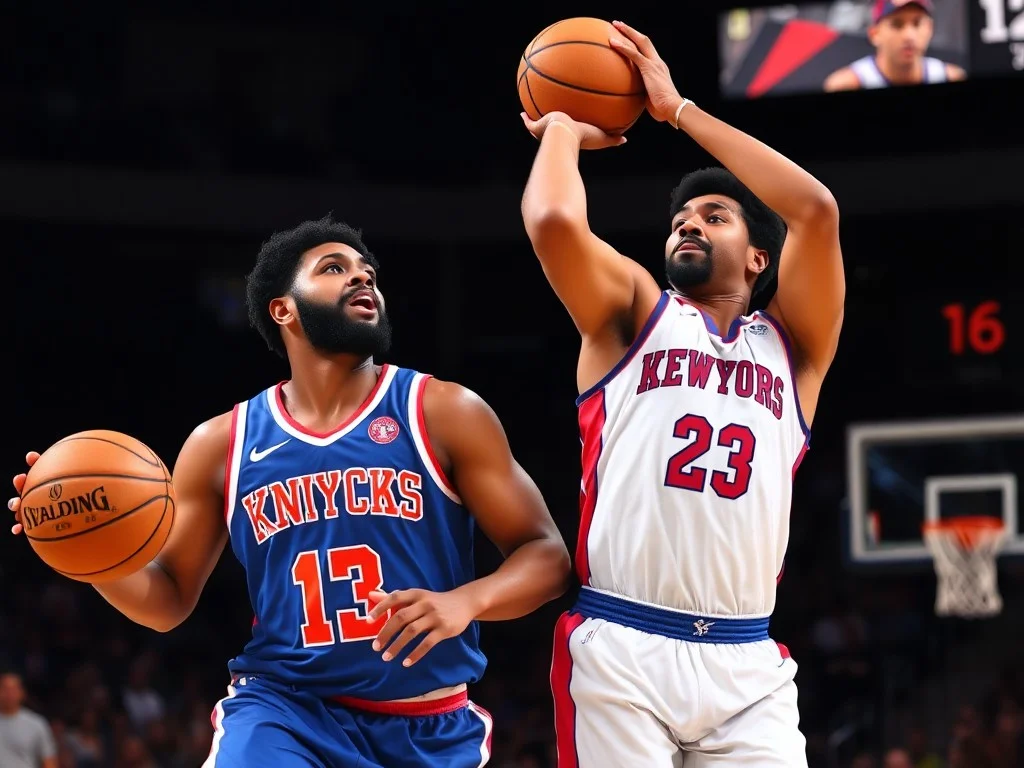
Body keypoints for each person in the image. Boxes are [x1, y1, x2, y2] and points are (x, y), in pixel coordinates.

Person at [9, 216, 572, 767]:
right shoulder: (222, 443)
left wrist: (466, 601)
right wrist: (91, 553)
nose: (362, 276)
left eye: (368, 271)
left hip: (427, 726)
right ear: (284, 309)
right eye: (334, 268)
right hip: (284, 710)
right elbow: (167, 599)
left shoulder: (442, 411)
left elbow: (547, 556)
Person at [520, 19, 845, 768]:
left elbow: (816, 209)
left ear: (759, 258)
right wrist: (562, 129)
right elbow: (554, 220)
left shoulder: (794, 349)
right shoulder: (635, 311)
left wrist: (678, 111)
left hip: (748, 664)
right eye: (679, 221)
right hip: (623, 645)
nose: (688, 224)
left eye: (714, 216)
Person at [824, 0, 966, 91]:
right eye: (897, 24)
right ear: (874, 34)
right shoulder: (847, 84)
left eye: (917, 23)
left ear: (930, 29)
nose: (909, 36)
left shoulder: (951, 76)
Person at [0, 672, 58, 768]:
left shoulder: (36, 723)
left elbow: (49, 761)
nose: (9, 694)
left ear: (22, 693)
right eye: (4, 689)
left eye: (13, 689)